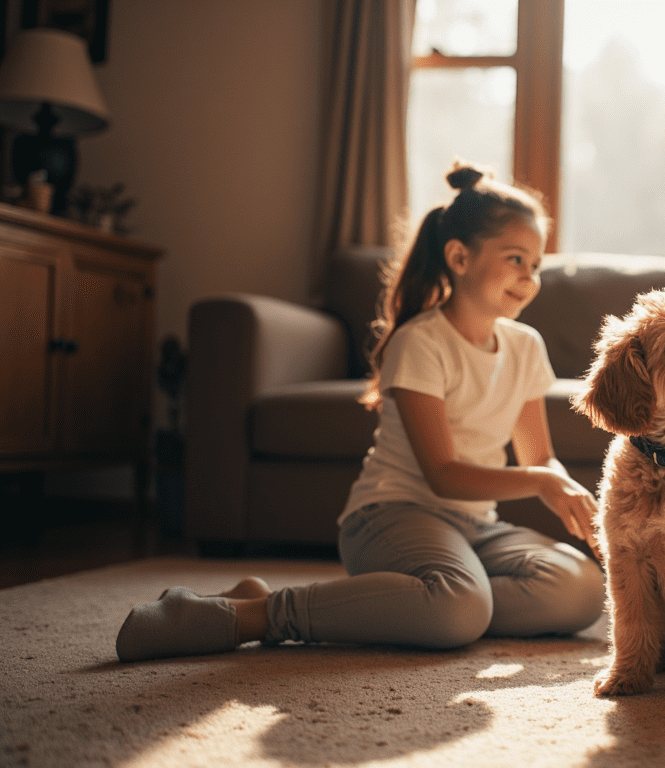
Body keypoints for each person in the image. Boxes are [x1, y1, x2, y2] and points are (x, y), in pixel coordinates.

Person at [116, 163, 605, 662]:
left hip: (475, 528)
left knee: (583, 588)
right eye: (516, 259)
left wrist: (564, 488)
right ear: (459, 257)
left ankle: (424, 607)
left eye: (537, 265)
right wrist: (542, 483)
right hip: (390, 517)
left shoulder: (526, 347)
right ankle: (255, 613)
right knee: (459, 603)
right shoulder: (421, 343)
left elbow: (540, 457)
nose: (530, 278)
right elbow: (443, 476)